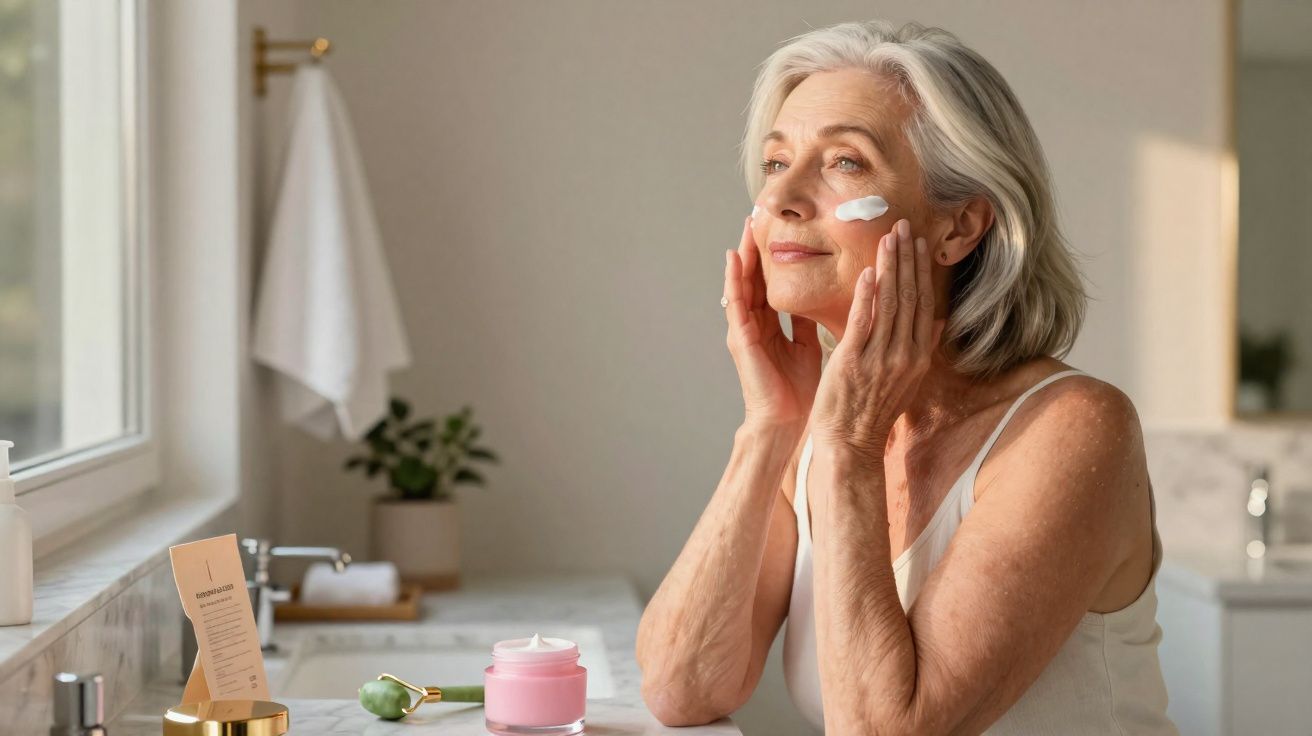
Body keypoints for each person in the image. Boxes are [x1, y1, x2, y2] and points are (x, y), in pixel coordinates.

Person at [636, 19, 1179, 735]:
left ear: (959, 226)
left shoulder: (1073, 428)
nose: (780, 199)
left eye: (845, 164)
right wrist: (768, 427)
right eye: (774, 164)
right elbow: (682, 690)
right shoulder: (817, 432)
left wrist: (850, 447)